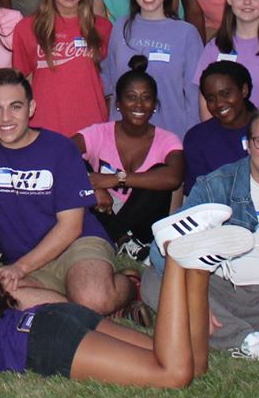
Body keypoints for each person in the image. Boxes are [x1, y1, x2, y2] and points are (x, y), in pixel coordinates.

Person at [0, 196, 214, 387]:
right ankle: (198, 269)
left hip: (43, 341)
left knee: (173, 375)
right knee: (193, 364)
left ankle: (174, 253)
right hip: (51, 319)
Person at [141, 103, 259, 366]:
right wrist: (199, 301)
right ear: (248, 145)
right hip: (214, 286)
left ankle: (197, 322)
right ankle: (247, 340)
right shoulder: (217, 184)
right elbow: (163, 246)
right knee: (153, 281)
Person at [0, 68, 134, 314]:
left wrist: (21, 268)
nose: (5, 118)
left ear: (31, 108)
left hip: (76, 244)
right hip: (23, 256)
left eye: (15, 107)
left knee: (94, 298)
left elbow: (71, 226)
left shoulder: (60, 149)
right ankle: (76, 304)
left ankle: (130, 283)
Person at [75, 59, 185, 257]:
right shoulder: (99, 133)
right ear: (118, 104)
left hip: (142, 219)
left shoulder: (168, 139)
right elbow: (61, 152)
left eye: (146, 98)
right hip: (104, 209)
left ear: (154, 105)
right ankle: (124, 241)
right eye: (131, 97)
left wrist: (115, 179)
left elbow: (174, 177)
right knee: (78, 167)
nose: (139, 105)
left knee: (159, 172)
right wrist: (96, 186)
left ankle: (114, 237)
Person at [99, 0, 203, 139]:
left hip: (171, 136)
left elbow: (194, 94)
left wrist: (191, 138)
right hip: (125, 138)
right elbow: (110, 82)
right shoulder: (120, 27)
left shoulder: (186, 33)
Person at [11, 0, 112, 137]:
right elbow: (20, 85)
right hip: (42, 130)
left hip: (92, 131)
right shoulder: (26, 28)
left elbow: (110, 85)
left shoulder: (103, 27)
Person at [182, 61, 253, 193]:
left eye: (226, 94)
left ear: (244, 90)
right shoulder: (197, 138)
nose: (219, 103)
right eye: (211, 98)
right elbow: (198, 194)